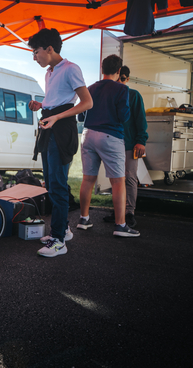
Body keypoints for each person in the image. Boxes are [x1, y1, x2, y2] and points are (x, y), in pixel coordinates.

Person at [27, 28, 93, 258]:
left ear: (49, 49)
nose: (34, 57)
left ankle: (58, 241)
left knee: (57, 183)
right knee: (52, 183)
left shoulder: (71, 68)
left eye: (36, 52)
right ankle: (63, 230)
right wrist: (42, 105)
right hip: (49, 125)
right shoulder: (49, 72)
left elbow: (87, 102)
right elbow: (55, 99)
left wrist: (56, 116)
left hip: (62, 129)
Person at [78, 55, 139, 238]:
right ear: (119, 71)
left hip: (88, 135)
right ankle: (120, 225)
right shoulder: (122, 89)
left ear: (102, 68)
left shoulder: (91, 88)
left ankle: (84, 219)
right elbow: (124, 116)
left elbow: (81, 117)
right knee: (118, 181)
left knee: (88, 179)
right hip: (110, 136)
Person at [103, 65, 148, 228]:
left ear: (127, 79)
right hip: (112, 143)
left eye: (123, 78)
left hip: (130, 144)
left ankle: (129, 212)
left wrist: (141, 141)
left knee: (129, 177)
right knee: (115, 179)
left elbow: (140, 120)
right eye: (118, 78)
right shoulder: (110, 94)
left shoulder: (134, 95)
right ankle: (117, 212)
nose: (120, 81)